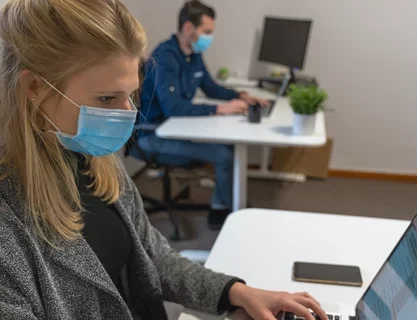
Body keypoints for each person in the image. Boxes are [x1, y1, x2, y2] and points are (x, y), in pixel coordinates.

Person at [0, 1, 328, 320]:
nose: (128, 113)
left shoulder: (96, 161)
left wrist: (235, 292)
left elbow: (153, 256)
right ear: (34, 87)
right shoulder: (9, 221)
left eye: (130, 94)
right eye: (106, 98)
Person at [138, 0, 269, 228]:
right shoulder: (166, 57)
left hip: (177, 129)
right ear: (189, 28)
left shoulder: (192, 52)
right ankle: (220, 212)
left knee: (228, 149)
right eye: (207, 32)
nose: (210, 37)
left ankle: (228, 201)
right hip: (153, 135)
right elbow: (174, 107)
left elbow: (211, 87)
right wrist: (220, 109)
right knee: (225, 155)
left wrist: (241, 96)